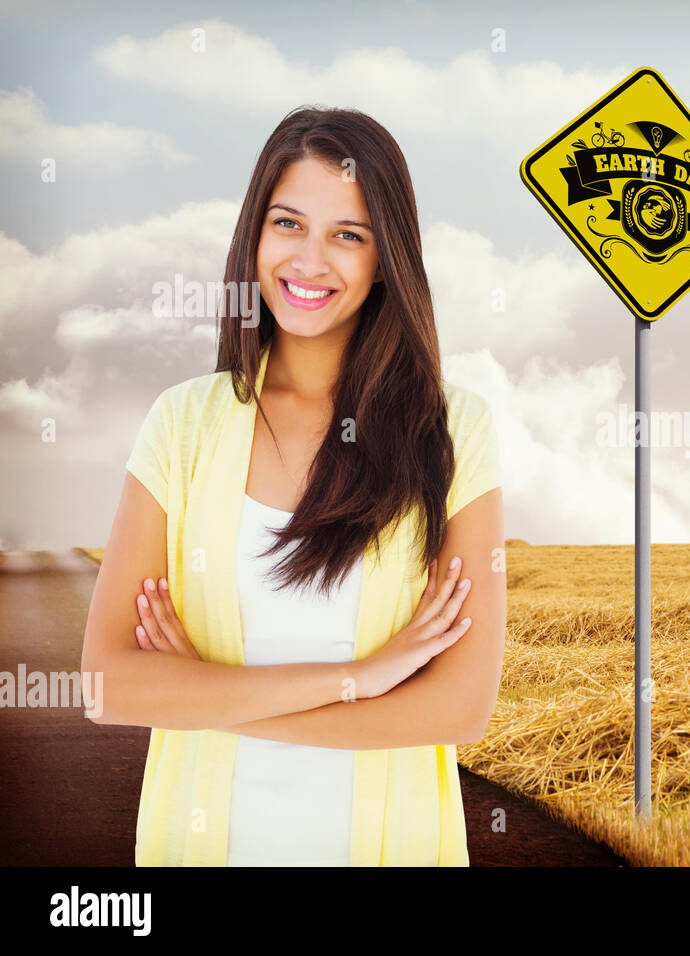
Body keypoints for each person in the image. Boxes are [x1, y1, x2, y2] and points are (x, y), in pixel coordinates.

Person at [80, 106, 506, 866]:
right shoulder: (183, 424)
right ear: (254, 235)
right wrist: (360, 680)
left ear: (387, 260)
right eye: (288, 224)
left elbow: (460, 708)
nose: (311, 261)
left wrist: (207, 698)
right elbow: (110, 685)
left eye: (349, 235)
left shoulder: (453, 430)